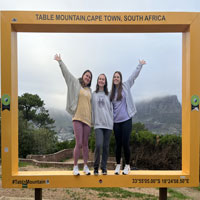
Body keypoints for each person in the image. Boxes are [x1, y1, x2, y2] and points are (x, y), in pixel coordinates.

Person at [54, 54, 93, 176]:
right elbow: (67, 74)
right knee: (79, 143)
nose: (88, 78)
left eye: (90, 77)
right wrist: (60, 62)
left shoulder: (90, 91)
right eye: (86, 75)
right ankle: (75, 166)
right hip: (77, 118)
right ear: (83, 76)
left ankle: (86, 166)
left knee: (86, 144)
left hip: (87, 120)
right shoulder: (76, 84)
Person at [110, 59, 146, 175]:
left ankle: (127, 165)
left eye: (117, 77)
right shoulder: (111, 92)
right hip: (116, 122)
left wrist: (139, 65)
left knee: (125, 143)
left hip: (126, 120)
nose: (116, 78)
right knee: (118, 144)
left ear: (120, 79)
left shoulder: (126, 85)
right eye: (114, 77)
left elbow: (133, 76)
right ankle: (118, 165)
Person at [92, 74, 113, 175]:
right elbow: (91, 108)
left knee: (106, 147)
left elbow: (111, 109)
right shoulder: (93, 94)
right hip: (98, 124)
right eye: (100, 79)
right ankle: (96, 167)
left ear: (105, 82)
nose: (101, 80)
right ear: (97, 81)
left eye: (103, 79)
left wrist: (112, 121)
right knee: (98, 145)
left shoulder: (109, 94)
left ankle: (104, 167)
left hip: (108, 124)